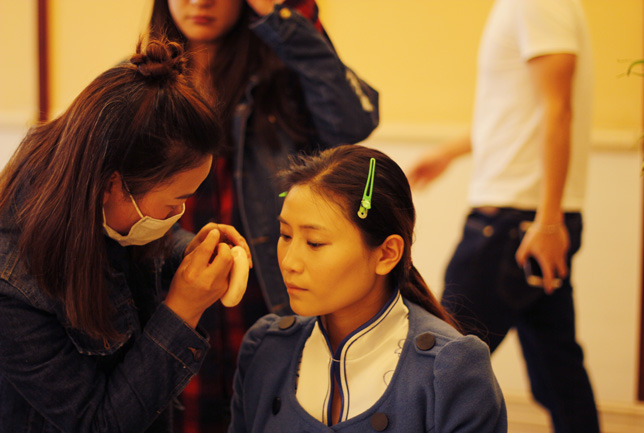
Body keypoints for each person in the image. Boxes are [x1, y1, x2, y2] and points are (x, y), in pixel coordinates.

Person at [0, 38, 252, 432]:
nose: (178, 215)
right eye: (174, 203)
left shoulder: (86, 183)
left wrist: (192, 250)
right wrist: (182, 311)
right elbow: (97, 423)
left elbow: (142, 235)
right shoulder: (13, 288)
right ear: (110, 186)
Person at [147, 0, 379, 430]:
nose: (201, 1)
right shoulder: (141, 82)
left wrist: (280, 14)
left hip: (269, 296)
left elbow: (355, 120)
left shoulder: (282, 76)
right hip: (170, 295)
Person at [408, 0, 600, 431]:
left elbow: (558, 108)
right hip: (528, 222)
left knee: (438, 362)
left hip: (517, 226)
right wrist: (447, 152)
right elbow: (517, 113)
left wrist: (547, 221)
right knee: (559, 373)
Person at [229, 145, 507, 433]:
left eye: (314, 243)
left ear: (387, 254)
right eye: (285, 235)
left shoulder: (449, 369)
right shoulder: (266, 348)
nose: (289, 262)